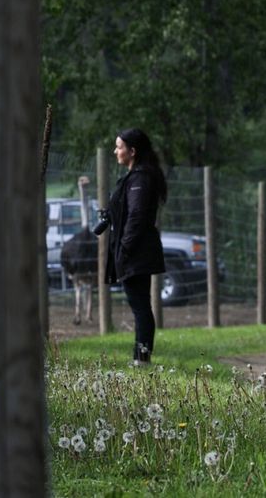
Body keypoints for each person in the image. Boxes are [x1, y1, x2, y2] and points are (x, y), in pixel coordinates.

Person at [102, 128, 166, 365]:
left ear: (132, 151)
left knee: (140, 305)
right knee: (140, 304)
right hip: (136, 250)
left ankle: (142, 358)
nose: (115, 151)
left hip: (136, 252)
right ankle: (140, 356)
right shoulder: (138, 176)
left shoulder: (140, 178)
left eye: (119, 147)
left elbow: (137, 215)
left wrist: (125, 248)